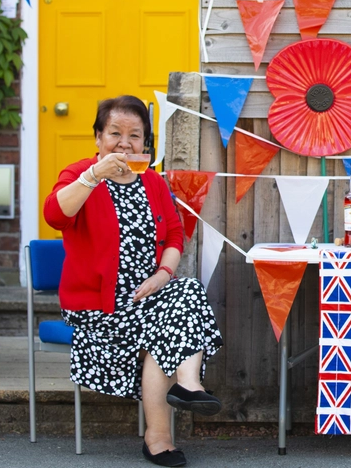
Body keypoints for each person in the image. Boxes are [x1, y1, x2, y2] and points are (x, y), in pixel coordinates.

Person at [44, 96, 224, 468]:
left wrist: (162, 274)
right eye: (115, 134)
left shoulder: (152, 182)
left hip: (148, 300)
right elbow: (54, 215)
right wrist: (94, 176)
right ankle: (159, 437)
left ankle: (187, 388)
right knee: (165, 327)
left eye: (135, 135)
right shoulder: (80, 174)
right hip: (99, 311)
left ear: (146, 143)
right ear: (97, 138)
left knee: (185, 289)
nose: (125, 143)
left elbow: (174, 235)